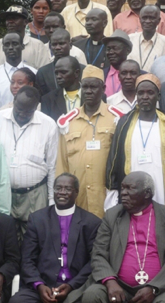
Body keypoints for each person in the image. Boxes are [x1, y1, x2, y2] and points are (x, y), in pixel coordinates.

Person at [67, 171, 165, 303]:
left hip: (159, 288)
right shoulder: (112, 216)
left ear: (147, 193)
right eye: (122, 188)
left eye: (130, 188)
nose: (123, 193)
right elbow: (98, 253)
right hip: (118, 285)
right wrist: (110, 281)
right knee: (93, 294)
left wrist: (154, 287)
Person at [9, 173, 101, 303]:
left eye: (68, 189)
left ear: (76, 193)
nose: (62, 192)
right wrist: (39, 285)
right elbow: (27, 259)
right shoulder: (37, 219)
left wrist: (72, 285)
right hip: (43, 286)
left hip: (77, 287)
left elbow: (94, 262)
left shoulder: (91, 222)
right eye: (58, 188)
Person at [0, 86, 59, 240]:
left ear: (36, 107)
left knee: (34, 239)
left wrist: (52, 200)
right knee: (5, 239)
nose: (22, 114)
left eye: (28, 111)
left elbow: (53, 167)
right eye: (19, 109)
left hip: (35, 194)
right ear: (13, 101)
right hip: (3, 193)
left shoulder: (48, 125)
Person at [105, 74, 165, 210]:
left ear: (158, 97)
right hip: (132, 187)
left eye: (150, 93)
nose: (145, 97)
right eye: (140, 93)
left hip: (161, 188)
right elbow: (114, 158)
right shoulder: (124, 122)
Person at [56, 65, 117, 219]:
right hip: (78, 198)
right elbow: (62, 163)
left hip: (107, 198)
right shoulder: (68, 121)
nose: (88, 91)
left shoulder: (116, 118)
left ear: (103, 89)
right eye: (85, 87)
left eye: (93, 87)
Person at [0, 5, 50, 75]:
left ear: (25, 22)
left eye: (14, 18)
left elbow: (45, 74)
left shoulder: (37, 45)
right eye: (8, 19)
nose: (10, 21)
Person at [0, 32, 37, 110]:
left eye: (15, 44)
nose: (10, 47)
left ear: (22, 47)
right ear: (3, 48)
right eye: (7, 45)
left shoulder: (34, 73)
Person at [37, 28, 81, 97]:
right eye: (54, 44)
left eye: (61, 44)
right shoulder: (43, 72)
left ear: (70, 45)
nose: (57, 47)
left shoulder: (82, 69)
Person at [128, 5, 165, 73]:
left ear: (158, 20)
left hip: (155, 81)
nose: (147, 21)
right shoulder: (130, 39)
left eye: (152, 18)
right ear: (140, 19)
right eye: (144, 18)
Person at [41, 56, 83, 121]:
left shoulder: (95, 97)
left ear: (76, 73)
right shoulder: (48, 100)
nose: (58, 76)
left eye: (63, 72)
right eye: (56, 73)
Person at [102, 30, 133, 98]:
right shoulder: (100, 75)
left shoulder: (139, 76)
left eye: (115, 48)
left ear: (127, 50)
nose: (111, 52)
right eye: (108, 49)